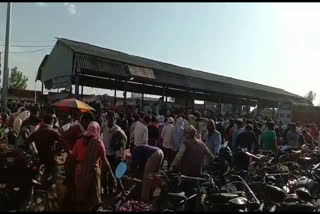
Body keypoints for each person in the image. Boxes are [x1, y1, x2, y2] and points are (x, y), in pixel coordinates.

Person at [71, 121, 117, 211]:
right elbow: (104, 160)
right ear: (98, 130)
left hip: (80, 171)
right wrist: (112, 175)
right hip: (93, 172)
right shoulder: (98, 142)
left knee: (81, 196)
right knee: (94, 199)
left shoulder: (79, 141)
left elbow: (73, 157)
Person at [26, 114, 61, 179]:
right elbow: (62, 141)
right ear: (52, 122)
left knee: (41, 173)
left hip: (39, 155)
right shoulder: (53, 131)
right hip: (50, 156)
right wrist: (57, 151)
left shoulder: (37, 132)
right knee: (51, 174)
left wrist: (33, 152)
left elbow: (27, 141)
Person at [100, 110, 126, 194]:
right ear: (107, 118)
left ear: (114, 119)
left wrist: (120, 148)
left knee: (112, 173)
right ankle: (105, 189)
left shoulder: (117, 129)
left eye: (112, 118)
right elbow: (98, 135)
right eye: (109, 117)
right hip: (104, 154)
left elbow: (125, 138)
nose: (111, 119)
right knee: (104, 173)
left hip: (113, 155)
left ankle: (111, 190)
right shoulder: (103, 126)